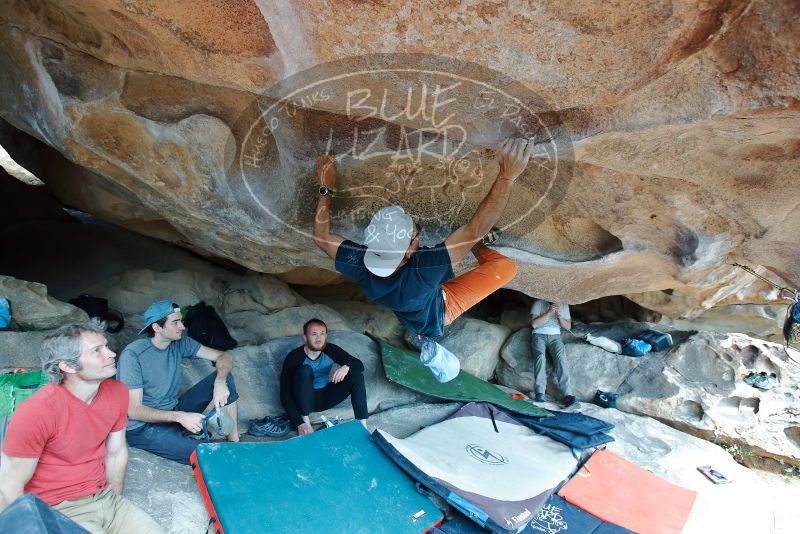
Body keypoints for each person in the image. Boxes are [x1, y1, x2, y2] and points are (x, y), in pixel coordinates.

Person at [313, 138, 533, 380]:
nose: (418, 233)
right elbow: (473, 229)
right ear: (408, 252)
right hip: (440, 310)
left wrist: (326, 186)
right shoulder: (425, 269)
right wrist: (507, 176)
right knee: (505, 267)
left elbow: (322, 238)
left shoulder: (363, 265)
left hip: (418, 305)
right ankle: (478, 248)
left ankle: (469, 247)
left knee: (461, 246)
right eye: (416, 234)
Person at [0, 320, 163, 533]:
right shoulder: (38, 411)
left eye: (106, 346)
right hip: (58, 508)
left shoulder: (117, 392)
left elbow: (116, 452)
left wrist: (114, 499)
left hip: (106, 499)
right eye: (97, 351)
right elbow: (8, 484)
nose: (111, 353)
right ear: (67, 366)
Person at [117, 300, 240, 465]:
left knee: (226, 378)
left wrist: (219, 382)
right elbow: (134, 410)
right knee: (209, 454)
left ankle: (235, 444)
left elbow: (224, 356)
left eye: (180, 321)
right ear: (157, 328)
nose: (182, 326)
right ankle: (188, 440)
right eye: (175, 322)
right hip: (142, 427)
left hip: (173, 413)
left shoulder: (180, 342)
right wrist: (181, 417)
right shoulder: (133, 355)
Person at [280, 319, 368, 436]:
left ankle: (362, 425)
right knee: (304, 370)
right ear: (305, 337)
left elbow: (359, 364)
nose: (318, 338)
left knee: (356, 375)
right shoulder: (294, 357)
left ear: (326, 336)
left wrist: (346, 367)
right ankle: (307, 423)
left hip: (325, 397)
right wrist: (299, 423)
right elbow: (284, 393)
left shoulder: (331, 350)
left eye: (322, 334)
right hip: (304, 402)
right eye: (314, 334)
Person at [530, 299, 576, 407]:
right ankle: (540, 393)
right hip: (539, 335)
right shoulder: (539, 303)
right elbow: (534, 324)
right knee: (540, 358)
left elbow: (568, 326)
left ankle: (567, 395)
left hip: (555, 336)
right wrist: (549, 312)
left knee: (561, 359)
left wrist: (560, 316)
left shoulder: (564, 304)